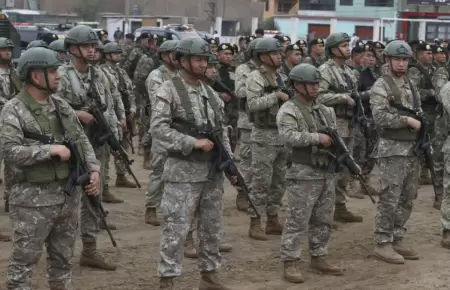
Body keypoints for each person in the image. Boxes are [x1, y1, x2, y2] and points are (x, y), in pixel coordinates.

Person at [1, 47, 101, 290]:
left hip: (67, 198)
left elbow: (81, 140)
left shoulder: (60, 105)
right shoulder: (13, 109)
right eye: (53, 71)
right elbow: (10, 152)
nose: (59, 76)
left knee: (63, 263)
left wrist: (94, 168)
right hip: (31, 203)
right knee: (23, 267)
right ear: (36, 76)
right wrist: (49, 150)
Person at [152, 37, 234, 289]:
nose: (203, 64)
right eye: (198, 59)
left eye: (205, 60)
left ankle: (209, 276)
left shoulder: (210, 93)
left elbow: (222, 132)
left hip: (211, 172)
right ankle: (167, 280)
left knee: (211, 228)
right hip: (182, 173)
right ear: (183, 61)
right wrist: (190, 142)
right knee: (176, 230)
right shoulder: (168, 89)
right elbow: (158, 129)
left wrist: (229, 163)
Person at [56, 24, 118, 270]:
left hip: (96, 143)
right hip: (69, 146)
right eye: (86, 46)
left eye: (93, 46)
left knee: (94, 196)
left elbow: (108, 104)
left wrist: (113, 129)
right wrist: (76, 113)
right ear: (72, 49)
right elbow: (50, 106)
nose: (92, 51)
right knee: (65, 201)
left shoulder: (99, 74)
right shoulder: (61, 74)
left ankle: (90, 250)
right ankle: (59, 253)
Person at [278, 64, 344, 283]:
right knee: (298, 219)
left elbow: (335, 137)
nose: (315, 88)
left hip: (326, 171)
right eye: (310, 84)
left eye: (317, 84)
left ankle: (319, 255)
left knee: (324, 218)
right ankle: (290, 261)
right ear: (297, 85)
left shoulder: (325, 110)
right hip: (303, 173)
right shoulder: (289, 109)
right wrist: (316, 138)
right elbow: (288, 136)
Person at [370, 40, 420, 264]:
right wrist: (406, 120)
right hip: (392, 150)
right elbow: (379, 117)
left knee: (408, 196)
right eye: (397, 59)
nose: (401, 63)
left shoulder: (410, 84)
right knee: (389, 197)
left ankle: (397, 235)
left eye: (405, 59)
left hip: (412, 149)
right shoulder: (382, 85)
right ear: (388, 60)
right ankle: (383, 242)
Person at [246, 38, 288, 241]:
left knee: (279, 182)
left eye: (280, 52)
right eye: (275, 53)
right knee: (261, 181)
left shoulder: (281, 76)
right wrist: (276, 97)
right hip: (263, 136)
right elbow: (253, 104)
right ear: (263, 56)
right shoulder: (255, 77)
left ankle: (272, 219)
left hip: (282, 135)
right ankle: (255, 221)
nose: (279, 56)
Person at [318, 32, 363, 222]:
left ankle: (340, 206)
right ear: (334, 49)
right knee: (331, 169)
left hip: (349, 124)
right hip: (334, 124)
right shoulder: (325, 70)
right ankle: (324, 212)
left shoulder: (349, 71)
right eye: (344, 46)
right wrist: (342, 98)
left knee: (345, 167)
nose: (348, 49)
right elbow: (318, 96)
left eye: (348, 45)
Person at [144, 40, 179, 226]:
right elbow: (160, 101)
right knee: (159, 170)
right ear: (164, 56)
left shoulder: (181, 74)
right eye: (174, 54)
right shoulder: (156, 76)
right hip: (163, 129)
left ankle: (170, 207)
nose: (178, 58)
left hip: (179, 130)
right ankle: (151, 207)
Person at [0, 37, 20, 241]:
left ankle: (10, 199)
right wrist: (12, 103)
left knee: (12, 165)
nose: (8, 53)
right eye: (4, 50)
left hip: (10, 125)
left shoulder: (13, 72)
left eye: (9, 50)